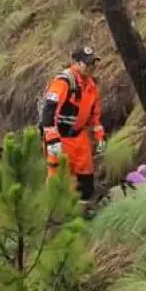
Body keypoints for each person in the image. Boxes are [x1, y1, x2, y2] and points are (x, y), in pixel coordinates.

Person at [40, 46, 105, 207]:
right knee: (59, 180)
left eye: (93, 64)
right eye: (88, 64)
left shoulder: (91, 86)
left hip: (79, 137)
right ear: (77, 63)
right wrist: (52, 140)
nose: (92, 68)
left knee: (86, 181)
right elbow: (49, 111)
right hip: (60, 138)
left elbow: (94, 116)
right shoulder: (63, 82)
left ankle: (84, 212)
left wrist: (99, 136)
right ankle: (57, 217)